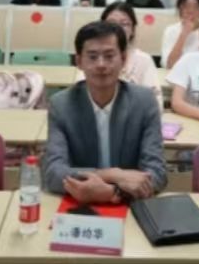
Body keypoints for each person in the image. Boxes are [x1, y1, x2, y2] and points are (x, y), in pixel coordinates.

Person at [43, 21, 167, 203]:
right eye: (92, 57)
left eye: (109, 56)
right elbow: (53, 173)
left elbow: (157, 173)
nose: (101, 64)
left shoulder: (144, 102)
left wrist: (111, 193)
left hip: (131, 203)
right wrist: (113, 175)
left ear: (123, 59)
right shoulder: (61, 105)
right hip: (79, 201)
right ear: (79, 62)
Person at [74, 4, 162, 111]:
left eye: (124, 24)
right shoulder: (90, 56)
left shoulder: (144, 60)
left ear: (133, 30)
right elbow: (80, 96)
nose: (118, 28)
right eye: (111, 23)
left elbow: (155, 102)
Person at [162, 0, 199, 69]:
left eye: (195, 7)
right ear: (180, 9)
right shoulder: (170, 30)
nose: (190, 11)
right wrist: (183, 34)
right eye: (186, 6)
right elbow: (169, 65)